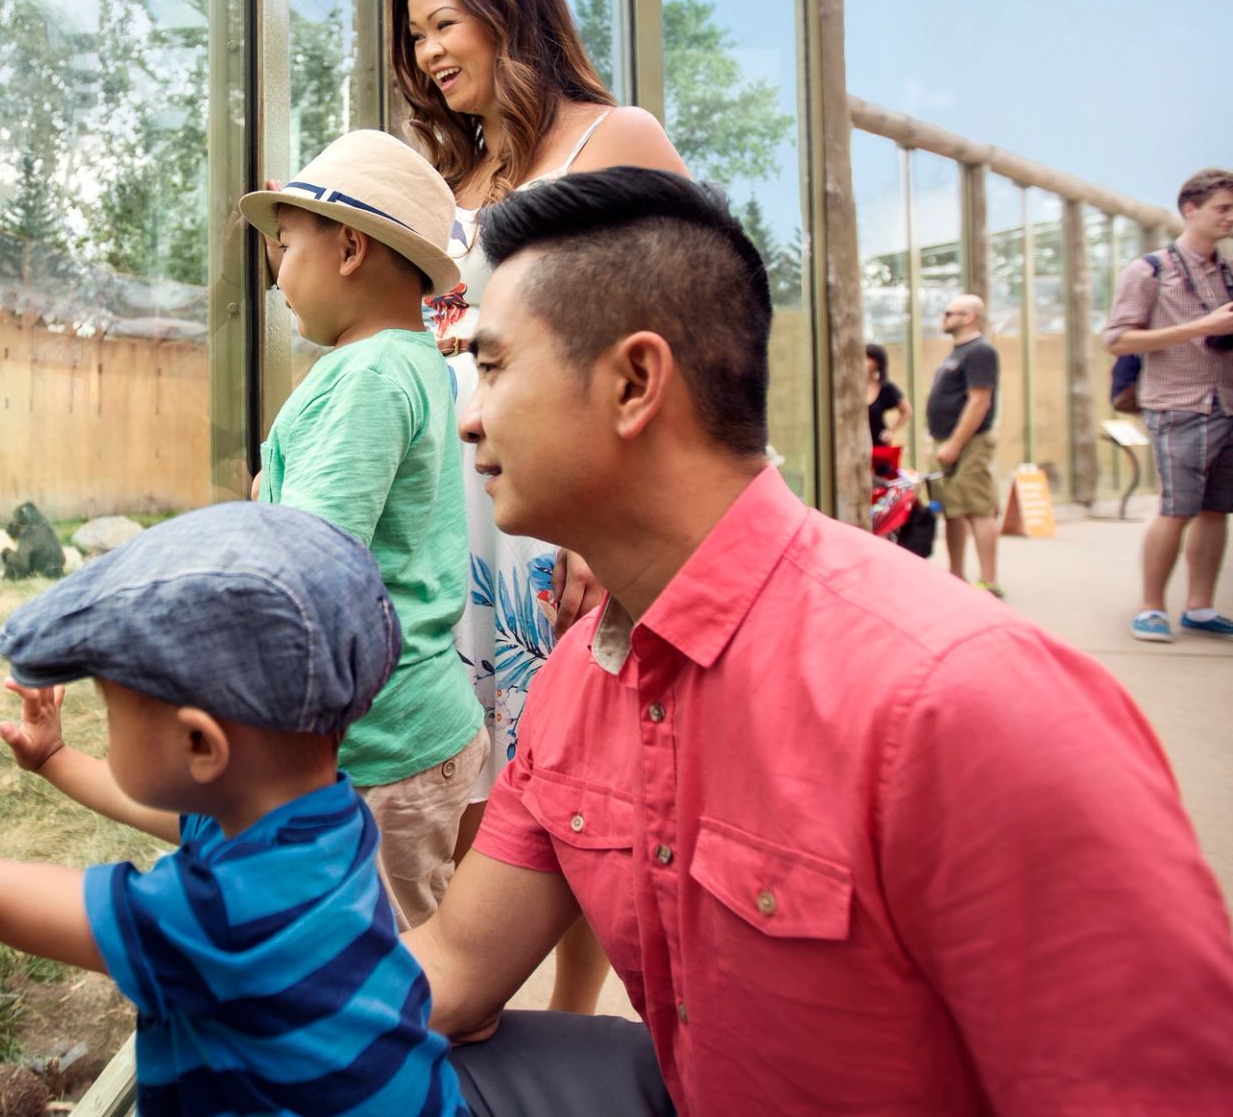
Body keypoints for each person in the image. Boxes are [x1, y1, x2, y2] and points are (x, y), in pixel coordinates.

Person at [401, 165, 1233, 1116]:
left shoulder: (964, 702)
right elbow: (458, 966)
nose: (468, 416)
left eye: (495, 367)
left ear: (636, 382)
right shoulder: (577, 681)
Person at [0, 503, 467, 1117]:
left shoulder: (221, 916)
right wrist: (54, 759)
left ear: (200, 741)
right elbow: (180, 820)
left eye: (111, 702)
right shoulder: (326, 821)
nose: (104, 715)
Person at [391, 0, 688, 1012]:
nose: (425, 55)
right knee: (480, 751)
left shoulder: (617, 136)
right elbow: (438, 342)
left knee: (576, 759)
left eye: (442, 25)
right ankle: (489, 995)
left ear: (508, 10)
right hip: (457, 496)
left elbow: (683, 314)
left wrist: (597, 530)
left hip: (570, 495)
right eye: (413, 38)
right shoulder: (451, 176)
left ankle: (573, 1015)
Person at [237, 130, 488, 928]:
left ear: (348, 247)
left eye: (284, 246)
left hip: (378, 748)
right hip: (422, 717)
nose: (276, 275)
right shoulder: (415, 360)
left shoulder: (365, 378)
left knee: (392, 973)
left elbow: (312, 560)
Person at [1103, 166, 1233, 642]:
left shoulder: (1227, 272)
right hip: (1177, 404)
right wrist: (1202, 328)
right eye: (1223, 209)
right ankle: (1151, 606)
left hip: (1226, 403)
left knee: (1217, 510)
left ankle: (1199, 606)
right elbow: (1116, 339)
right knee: (1177, 507)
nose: (1230, 218)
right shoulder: (1149, 270)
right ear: (1190, 209)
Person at [927, 293, 1002, 596]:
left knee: (977, 508)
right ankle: (956, 574)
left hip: (969, 444)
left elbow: (979, 401)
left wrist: (956, 444)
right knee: (952, 510)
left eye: (950, 313)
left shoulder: (980, 351)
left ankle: (988, 580)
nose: (944, 318)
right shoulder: (957, 353)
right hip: (945, 441)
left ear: (969, 317)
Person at [864, 342, 909, 446]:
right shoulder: (853, 388)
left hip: (879, 446)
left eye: (867, 358)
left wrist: (891, 431)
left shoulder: (886, 388)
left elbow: (907, 411)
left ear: (878, 363)